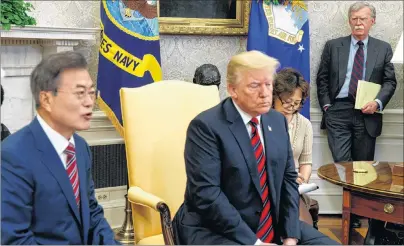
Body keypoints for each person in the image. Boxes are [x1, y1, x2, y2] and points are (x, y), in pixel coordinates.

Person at [173, 50, 338, 245]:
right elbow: (207, 196)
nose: (265, 93)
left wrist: (291, 236)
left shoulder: (276, 121)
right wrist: (255, 243)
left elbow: (288, 181)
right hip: (216, 229)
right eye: (254, 85)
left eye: (268, 84)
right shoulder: (205, 127)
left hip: (272, 223)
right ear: (233, 89)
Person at [1, 51, 120, 245]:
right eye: (80, 93)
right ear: (47, 99)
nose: (90, 102)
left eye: (91, 92)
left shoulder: (80, 148)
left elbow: (92, 214)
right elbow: (14, 239)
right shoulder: (13, 155)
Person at [316, 1, 397, 228]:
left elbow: (390, 82)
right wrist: (326, 107)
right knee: (343, 165)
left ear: (372, 21)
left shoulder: (383, 48)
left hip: (367, 113)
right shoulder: (333, 46)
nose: (358, 23)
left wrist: (378, 102)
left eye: (363, 18)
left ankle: (361, 215)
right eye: (354, 18)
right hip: (338, 112)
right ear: (349, 21)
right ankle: (349, 212)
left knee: (364, 168)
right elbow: (322, 78)